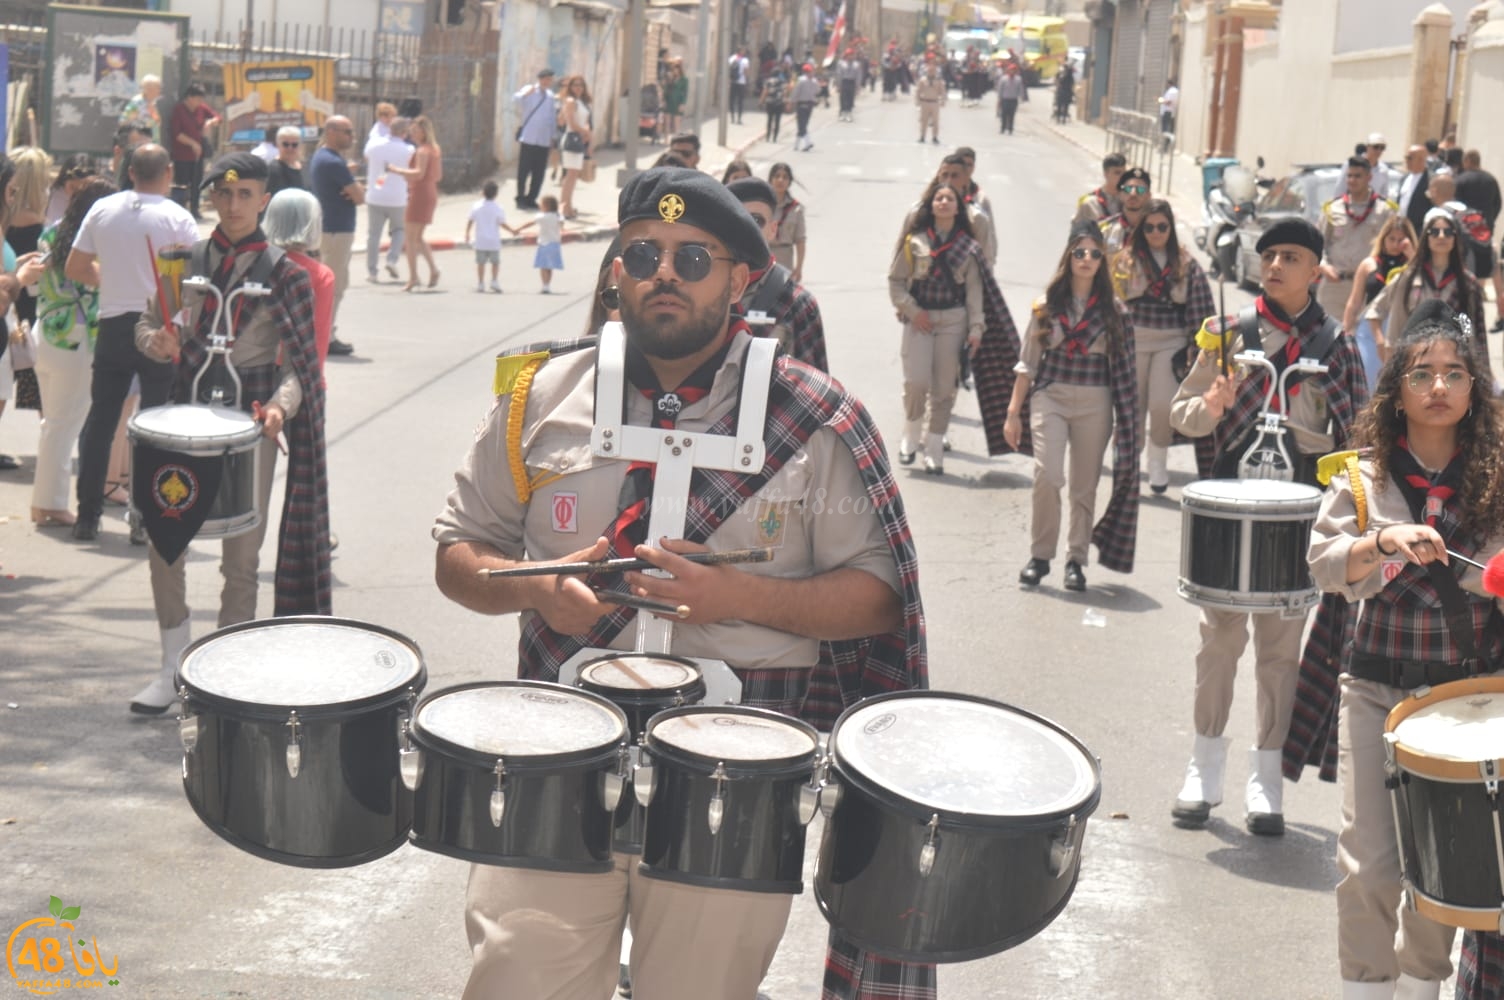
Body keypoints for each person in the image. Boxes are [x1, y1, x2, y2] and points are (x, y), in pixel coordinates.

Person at [431, 164, 932, 1000]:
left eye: (692, 259)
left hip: (736, 784)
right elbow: (459, 552)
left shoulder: (813, 417)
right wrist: (534, 587)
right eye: (641, 253)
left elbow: (879, 598)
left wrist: (740, 599)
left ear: (742, 278)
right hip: (556, 762)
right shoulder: (540, 395)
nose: (664, 273)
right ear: (614, 270)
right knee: (515, 983)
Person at [1305, 299, 1504, 1000]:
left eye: (1455, 373)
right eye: (1423, 374)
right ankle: (1365, 986)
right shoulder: (1361, 476)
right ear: (1397, 391)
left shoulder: (1497, 476)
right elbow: (1324, 564)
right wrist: (1381, 540)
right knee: (1368, 865)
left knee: (1441, 866)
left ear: (1475, 389)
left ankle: (1423, 984)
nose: (1440, 387)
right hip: (1373, 690)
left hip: (1464, 698)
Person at [1167, 217, 1369, 835]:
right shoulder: (1228, 335)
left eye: (1291, 257)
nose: (1276, 264)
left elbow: (1360, 438)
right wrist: (1212, 404)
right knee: (1219, 642)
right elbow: (1181, 417)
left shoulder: (1335, 346)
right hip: (1231, 513)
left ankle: (1266, 777)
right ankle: (1203, 766)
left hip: (1295, 517)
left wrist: (1350, 510)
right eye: (1269, 255)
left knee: (1280, 654)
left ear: (1317, 272)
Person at [126, 153, 328, 715]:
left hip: (249, 430)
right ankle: (172, 666)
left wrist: (281, 411)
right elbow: (145, 323)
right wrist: (155, 343)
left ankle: (220, 678)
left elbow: (299, 367)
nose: (234, 205)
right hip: (182, 427)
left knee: (240, 561)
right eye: (225, 194)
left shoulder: (288, 273)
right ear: (212, 197)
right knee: (165, 544)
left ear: (264, 200)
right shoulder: (181, 260)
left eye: (246, 196)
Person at [65, 144, 200, 541]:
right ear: (169, 171)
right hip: (160, 326)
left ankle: (87, 516)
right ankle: (143, 517)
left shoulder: (104, 209)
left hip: (113, 323)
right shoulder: (178, 217)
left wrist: (111, 282)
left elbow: (75, 267)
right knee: (154, 426)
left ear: (129, 172)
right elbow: (188, 284)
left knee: (102, 421)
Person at [1005, 220, 1140, 591]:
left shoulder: (1116, 313)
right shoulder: (1046, 306)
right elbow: (1027, 364)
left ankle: (1076, 560)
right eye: (1080, 252)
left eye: (1095, 254)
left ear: (1102, 261)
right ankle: (1040, 555)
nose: (1087, 259)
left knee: (1084, 486)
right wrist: (1013, 412)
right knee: (1048, 475)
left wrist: (1128, 427)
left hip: (1096, 401)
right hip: (1051, 395)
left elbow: (1126, 375)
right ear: (1069, 256)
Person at [1111, 198, 1215, 494]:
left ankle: (1157, 460)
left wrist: (1199, 346)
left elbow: (1201, 307)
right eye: (1149, 227)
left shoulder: (1186, 263)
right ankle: (1128, 466)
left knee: (1161, 406)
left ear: (1171, 227)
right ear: (1140, 229)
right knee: (1132, 407)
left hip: (1171, 341)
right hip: (1133, 340)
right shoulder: (1123, 261)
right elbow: (1110, 304)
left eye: (1162, 227)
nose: (1156, 232)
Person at [888, 180, 991, 473]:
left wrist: (976, 328)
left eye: (949, 199)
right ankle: (911, 436)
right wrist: (912, 310)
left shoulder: (969, 247)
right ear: (931, 205)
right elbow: (896, 282)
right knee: (916, 382)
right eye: (939, 198)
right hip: (920, 320)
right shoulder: (915, 241)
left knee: (945, 388)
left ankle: (934, 449)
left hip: (953, 321)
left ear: (959, 208)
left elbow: (974, 291)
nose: (943, 202)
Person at [28, 179, 111, 527]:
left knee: (53, 425)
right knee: (63, 427)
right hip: (75, 340)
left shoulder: (52, 232)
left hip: (45, 332)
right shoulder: (94, 241)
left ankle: (43, 502)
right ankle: (51, 504)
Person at [1370, 206, 1489, 384]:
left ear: (1455, 238)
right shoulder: (1408, 277)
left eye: (1448, 232)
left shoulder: (1468, 283)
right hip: (1413, 363)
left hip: (1454, 364)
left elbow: (1474, 331)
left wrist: (1480, 373)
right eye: (1435, 232)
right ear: (1426, 237)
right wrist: (1385, 349)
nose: (1441, 236)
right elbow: (1392, 320)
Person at [726, 176, 828, 370]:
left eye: (756, 221)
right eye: (737, 221)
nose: (746, 231)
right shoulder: (703, 292)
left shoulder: (798, 304)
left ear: (773, 230)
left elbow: (816, 391)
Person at [264, 187, 335, 375]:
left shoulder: (251, 261)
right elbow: (317, 338)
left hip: (248, 369)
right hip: (292, 374)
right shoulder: (320, 275)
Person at [1342, 214, 1415, 394]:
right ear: (1383, 239)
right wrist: (1346, 330)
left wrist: (1412, 254)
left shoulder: (1412, 266)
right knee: (1367, 380)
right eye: (1392, 239)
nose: (1396, 244)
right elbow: (1355, 300)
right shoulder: (1369, 264)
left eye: (1401, 240)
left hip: (1401, 327)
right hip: (1370, 329)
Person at [309, 115, 363, 355]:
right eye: (346, 132)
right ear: (331, 132)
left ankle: (322, 332)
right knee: (334, 285)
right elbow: (359, 197)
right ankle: (325, 336)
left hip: (330, 228)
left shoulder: (324, 158)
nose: (351, 137)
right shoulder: (332, 162)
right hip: (336, 231)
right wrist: (353, 186)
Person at [1319, 157, 1396, 324]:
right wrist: (1324, 266)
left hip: (1369, 286)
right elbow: (1318, 245)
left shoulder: (1385, 211)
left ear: (1369, 178)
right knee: (1327, 336)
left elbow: (1393, 246)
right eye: (1349, 176)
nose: (1352, 180)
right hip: (1336, 284)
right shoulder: (1333, 208)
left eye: (1358, 176)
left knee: (1362, 340)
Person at [385, 115, 441, 292]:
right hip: (429, 192)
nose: (413, 133)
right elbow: (438, 176)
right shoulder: (434, 149)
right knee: (417, 237)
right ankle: (433, 269)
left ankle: (413, 277)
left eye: (416, 130)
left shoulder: (423, 151)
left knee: (410, 238)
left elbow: (418, 173)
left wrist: (396, 170)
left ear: (424, 131)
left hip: (419, 193)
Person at [363, 116, 410, 282]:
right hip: (398, 197)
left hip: (376, 195)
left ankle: (372, 272)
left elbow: (366, 156)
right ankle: (391, 259)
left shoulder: (374, 145)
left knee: (373, 235)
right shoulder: (408, 150)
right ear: (405, 133)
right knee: (399, 230)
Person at [169, 84, 219, 220]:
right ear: (190, 98)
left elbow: (216, 117)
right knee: (182, 183)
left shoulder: (201, 109)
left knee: (197, 182)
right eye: (198, 99)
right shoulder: (179, 110)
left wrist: (209, 123)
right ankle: (179, 210)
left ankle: (195, 209)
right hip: (182, 154)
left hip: (198, 155)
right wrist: (192, 144)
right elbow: (177, 133)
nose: (200, 102)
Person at [513, 69, 558, 210]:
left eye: (549, 79)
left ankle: (532, 198)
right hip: (529, 138)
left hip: (544, 140)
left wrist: (553, 137)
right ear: (539, 79)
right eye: (545, 79)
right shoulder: (530, 89)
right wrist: (525, 94)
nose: (547, 82)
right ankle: (520, 198)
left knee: (539, 172)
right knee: (523, 171)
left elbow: (552, 119)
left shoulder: (550, 96)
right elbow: (515, 99)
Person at [465, 180, 518, 293]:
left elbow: (470, 220)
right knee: (495, 262)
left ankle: (480, 283)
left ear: (483, 192)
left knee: (481, 263)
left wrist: (467, 233)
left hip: (480, 240)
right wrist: (512, 230)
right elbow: (502, 223)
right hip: (494, 241)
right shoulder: (498, 207)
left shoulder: (476, 206)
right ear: (496, 194)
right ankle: (494, 280)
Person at [556, 76, 593, 220]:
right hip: (572, 139)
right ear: (570, 87)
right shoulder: (570, 101)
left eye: (581, 85)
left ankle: (568, 206)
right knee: (570, 175)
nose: (578, 88)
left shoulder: (581, 102)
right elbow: (570, 123)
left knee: (573, 175)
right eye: (575, 85)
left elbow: (585, 121)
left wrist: (587, 132)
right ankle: (564, 207)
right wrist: (585, 132)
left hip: (579, 139)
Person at [512, 194, 563, 293]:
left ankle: (544, 285)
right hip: (555, 244)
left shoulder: (542, 217)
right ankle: (548, 284)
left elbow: (530, 223)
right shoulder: (557, 217)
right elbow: (561, 223)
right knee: (550, 267)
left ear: (546, 206)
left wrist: (517, 229)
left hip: (544, 244)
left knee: (543, 266)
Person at [767, 162, 805, 281]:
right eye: (777, 176)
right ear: (770, 179)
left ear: (789, 182)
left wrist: (798, 268)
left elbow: (800, 240)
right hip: (765, 257)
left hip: (785, 259)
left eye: (785, 177)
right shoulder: (764, 206)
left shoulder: (796, 209)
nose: (780, 180)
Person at [1101, 166, 1152, 253]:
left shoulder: (1155, 231)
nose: (1133, 194)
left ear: (1148, 196)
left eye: (1140, 190)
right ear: (1120, 194)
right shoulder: (1106, 229)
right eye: (1128, 189)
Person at [1397, 144, 1432, 252]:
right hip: (1400, 229)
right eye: (1406, 157)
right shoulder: (1405, 178)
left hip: (1417, 232)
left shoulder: (1431, 181)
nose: (1406, 161)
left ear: (1422, 160)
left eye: (1410, 158)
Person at [1075, 152, 1126, 224]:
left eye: (1124, 173)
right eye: (1117, 173)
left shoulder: (1129, 199)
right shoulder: (1090, 203)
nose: (1122, 177)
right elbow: (1076, 231)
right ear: (1105, 174)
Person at [45, 155, 96, 227]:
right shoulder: (49, 196)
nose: (75, 194)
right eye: (72, 187)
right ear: (64, 179)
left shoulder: (95, 204)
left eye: (81, 190)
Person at [266, 126, 306, 200]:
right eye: (285, 144)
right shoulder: (273, 170)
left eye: (294, 145)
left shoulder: (304, 168)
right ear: (278, 145)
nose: (290, 148)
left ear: (300, 146)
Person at [119, 74, 162, 143]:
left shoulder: (152, 102)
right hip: (140, 144)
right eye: (157, 87)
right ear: (148, 89)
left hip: (152, 143)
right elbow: (123, 122)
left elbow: (157, 122)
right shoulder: (136, 103)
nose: (159, 91)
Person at [915, 60, 945, 145]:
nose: (931, 72)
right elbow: (918, 91)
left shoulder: (939, 80)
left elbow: (942, 91)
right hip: (925, 102)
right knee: (923, 120)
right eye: (929, 70)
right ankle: (922, 136)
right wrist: (917, 101)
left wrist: (943, 100)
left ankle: (935, 137)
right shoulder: (923, 80)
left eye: (933, 70)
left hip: (934, 102)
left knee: (935, 121)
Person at [791, 63, 820, 152]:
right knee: (803, 124)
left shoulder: (801, 80)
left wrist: (792, 101)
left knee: (801, 124)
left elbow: (796, 92)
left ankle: (808, 143)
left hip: (802, 104)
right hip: (810, 104)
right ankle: (796, 145)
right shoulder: (815, 81)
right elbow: (818, 91)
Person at [997, 63, 1025, 135]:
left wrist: (1021, 97)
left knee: (1012, 115)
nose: (1012, 71)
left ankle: (1010, 129)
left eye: (1014, 70)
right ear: (1008, 71)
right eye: (1011, 70)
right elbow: (1000, 89)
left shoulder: (1018, 79)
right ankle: (1002, 128)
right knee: (1004, 115)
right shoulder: (1003, 79)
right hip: (1005, 99)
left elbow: (1020, 89)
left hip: (1013, 100)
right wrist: (999, 98)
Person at [761, 69, 788, 144]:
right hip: (779, 103)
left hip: (770, 102)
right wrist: (785, 102)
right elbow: (785, 93)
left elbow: (765, 91)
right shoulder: (782, 82)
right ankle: (775, 137)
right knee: (777, 121)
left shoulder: (768, 81)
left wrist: (761, 102)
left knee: (769, 120)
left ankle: (768, 136)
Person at [662, 62, 687, 136]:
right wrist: (664, 100)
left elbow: (685, 92)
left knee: (677, 123)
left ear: (680, 69)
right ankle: (666, 140)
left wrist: (683, 103)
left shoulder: (684, 80)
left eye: (677, 69)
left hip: (678, 102)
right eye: (674, 69)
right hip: (669, 100)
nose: (675, 71)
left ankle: (676, 140)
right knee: (667, 122)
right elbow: (666, 90)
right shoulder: (670, 78)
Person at [836, 48, 862, 122]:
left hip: (852, 82)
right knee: (843, 98)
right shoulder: (842, 64)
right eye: (848, 55)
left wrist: (858, 86)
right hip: (844, 82)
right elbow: (839, 75)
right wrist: (838, 85)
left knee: (850, 98)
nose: (850, 57)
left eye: (851, 55)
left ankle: (849, 113)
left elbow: (858, 76)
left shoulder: (856, 64)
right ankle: (843, 113)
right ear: (846, 56)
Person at [728, 47, 751, 124]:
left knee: (732, 100)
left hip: (733, 82)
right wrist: (746, 79)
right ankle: (739, 119)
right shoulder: (745, 60)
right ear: (741, 51)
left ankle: (732, 118)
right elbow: (746, 71)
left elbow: (729, 70)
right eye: (743, 50)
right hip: (741, 82)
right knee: (740, 101)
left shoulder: (731, 58)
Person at [1054, 61, 1076, 125]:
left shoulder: (1062, 75)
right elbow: (1072, 84)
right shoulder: (1070, 76)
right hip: (1067, 92)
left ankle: (1059, 119)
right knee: (1065, 106)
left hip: (1062, 92)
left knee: (1060, 105)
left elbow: (1058, 82)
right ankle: (1062, 120)